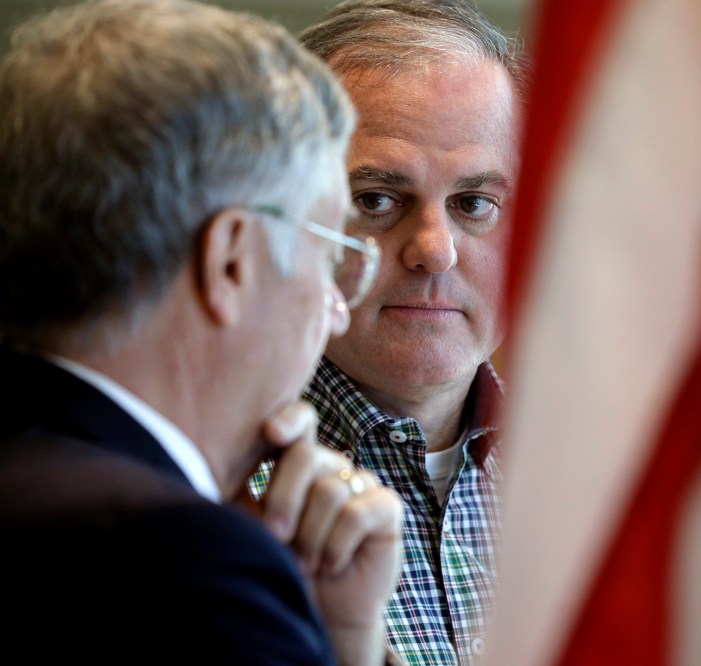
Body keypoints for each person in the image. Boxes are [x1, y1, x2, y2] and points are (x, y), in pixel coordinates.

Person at [0, 1, 404, 664]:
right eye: (330, 256)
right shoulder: (193, 564)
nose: (337, 310)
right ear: (231, 260)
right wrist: (348, 647)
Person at [293, 1, 529, 663]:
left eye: (475, 203)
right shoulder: (212, 485)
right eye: (375, 200)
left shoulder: (585, 480)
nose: (434, 250)